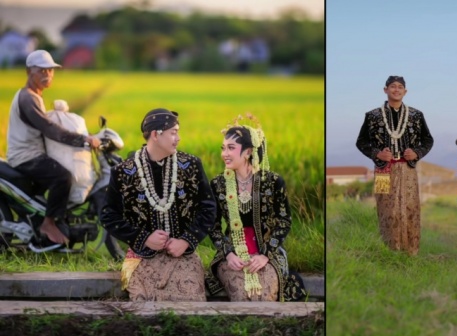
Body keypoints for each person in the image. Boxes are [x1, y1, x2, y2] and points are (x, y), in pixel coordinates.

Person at [100, 108, 216, 301]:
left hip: (182, 254)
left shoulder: (191, 165)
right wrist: (143, 238)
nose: (178, 138)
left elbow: (209, 208)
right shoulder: (123, 172)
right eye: (173, 132)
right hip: (142, 256)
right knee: (144, 304)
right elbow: (108, 215)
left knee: (190, 301)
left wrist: (186, 240)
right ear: (155, 134)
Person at [205, 114, 306, 302]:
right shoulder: (218, 183)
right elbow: (213, 225)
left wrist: (265, 255)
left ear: (248, 151)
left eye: (231, 148)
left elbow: (284, 221)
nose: (224, 153)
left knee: (266, 291)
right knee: (241, 292)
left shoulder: (272, 182)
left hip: (267, 250)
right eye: (223, 148)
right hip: (233, 252)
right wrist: (228, 253)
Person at [7, 50, 100, 251]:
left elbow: (48, 123)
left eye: (50, 70)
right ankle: (49, 223)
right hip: (25, 156)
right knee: (63, 177)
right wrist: (82, 139)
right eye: (41, 70)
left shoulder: (34, 96)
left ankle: (47, 219)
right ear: (28, 72)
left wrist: (82, 132)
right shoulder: (27, 98)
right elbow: (49, 129)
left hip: (32, 153)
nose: (47, 75)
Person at [355, 76, 434, 255]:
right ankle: (388, 251)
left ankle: (411, 252)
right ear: (385, 90)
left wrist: (417, 153)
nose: (396, 90)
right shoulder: (372, 116)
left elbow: (428, 140)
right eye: (393, 87)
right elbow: (361, 142)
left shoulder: (416, 115)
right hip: (382, 169)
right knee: (385, 208)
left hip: (408, 169)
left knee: (410, 207)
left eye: (400, 87)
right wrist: (377, 154)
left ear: (405, 92)